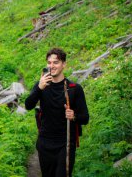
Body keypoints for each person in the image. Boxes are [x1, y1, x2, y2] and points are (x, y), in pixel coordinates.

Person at [25, 48, 89, 177]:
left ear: (64, 64)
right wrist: (39, 88)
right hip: (44, 142)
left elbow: (85, 118)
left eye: (56, 62)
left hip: (65, 144)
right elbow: (28, 105)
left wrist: (74, 116)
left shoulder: (74, 89)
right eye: (49, 63)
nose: (51, 66)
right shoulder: (41, 85)